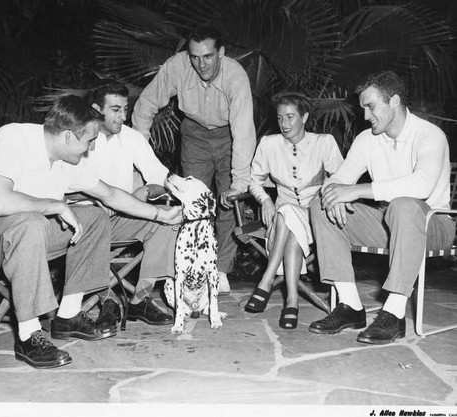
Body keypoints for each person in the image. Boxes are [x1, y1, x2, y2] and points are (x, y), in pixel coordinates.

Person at [0, 95, 181, 369]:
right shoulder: (13, 138)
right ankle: (28, 335)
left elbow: (110, 195)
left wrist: (161, 214)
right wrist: (56, 206)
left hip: (19, 234)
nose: (89, 151)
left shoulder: (65, 160)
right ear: (67, 137)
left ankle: (69, 315)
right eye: (88, 142)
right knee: (32, 222)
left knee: (94, 216)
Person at [308, 71, 455, 344]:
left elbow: (421, 186)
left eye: (371, 106)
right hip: (388, 221)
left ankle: (394, 313)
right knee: (321, 203)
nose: (365, 115)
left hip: (433, 222)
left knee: (404, 206)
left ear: (395, 101)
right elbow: (341, 178)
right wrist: (334, 193)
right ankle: (350, 305)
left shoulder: (429, 135)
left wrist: (355, 191)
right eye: (363, 107)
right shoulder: (367, 139)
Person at [132, 25, 257, 293]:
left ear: (221, 52)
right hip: (194, 134)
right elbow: (145, 104)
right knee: (194, 205)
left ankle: (221, 269)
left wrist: (240, 181)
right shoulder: (177, 66)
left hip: (229, 136)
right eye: (195, 57)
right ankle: (195, 268)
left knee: (227, 201)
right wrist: (138, 152)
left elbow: (244, 131)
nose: (201, 64)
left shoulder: (236, 76)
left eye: (208, 56)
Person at [79, 82, 178, 326]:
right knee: (95, 218)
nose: (123, 116)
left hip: (122, 217)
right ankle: (108, 300)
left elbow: (162, 180)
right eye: (115, 109)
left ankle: (140, 299)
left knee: (169, 220)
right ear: (95, 109)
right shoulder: (77, 137)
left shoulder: (131, 138)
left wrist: (145, 190)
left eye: (125, 109)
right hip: (83, 224)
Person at [244, 92, 344, 329]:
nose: (284, 124)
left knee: (287, 213)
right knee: (287, 216)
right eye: (280, 118)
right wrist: (265, 201)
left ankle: (267, 279)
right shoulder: (269, 144)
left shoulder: (324, 142)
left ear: (305, 117)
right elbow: (253, 181)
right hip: (281, 220)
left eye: (290, 117)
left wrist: (327, 194)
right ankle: (292, 301)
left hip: (315, 216)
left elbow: (341, 179)